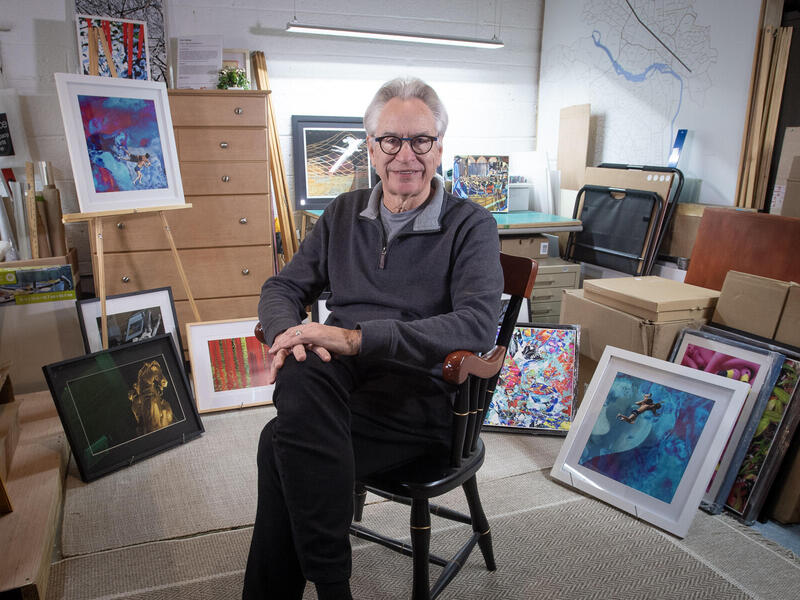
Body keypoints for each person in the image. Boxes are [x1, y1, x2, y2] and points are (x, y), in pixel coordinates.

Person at [242, 77, 504, 599]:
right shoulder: (343, 212)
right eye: (391, 141)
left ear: (439, 147)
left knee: (279, 444)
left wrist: (357, 339)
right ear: (370, 147)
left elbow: (477, 324)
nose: (405, 156)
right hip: (341, 386)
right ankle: (333, 587)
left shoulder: (471, 225)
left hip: (422, 396)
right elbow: (283, 286)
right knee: (301, 367)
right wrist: (286, 334)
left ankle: (327, 588)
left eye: (420, 141)